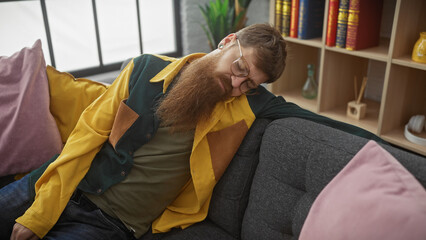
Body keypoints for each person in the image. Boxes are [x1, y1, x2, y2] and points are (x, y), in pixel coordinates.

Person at [0, 23, 382, 240]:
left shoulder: (248, 105)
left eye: (249, 84)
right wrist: (40, 213)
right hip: (57, 183)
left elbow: (327, 124)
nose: (236, 85)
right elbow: (85, 139)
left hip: (112, 225)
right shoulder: (143, 68)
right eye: (240, 69)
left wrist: (400, 153)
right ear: (228, 40)